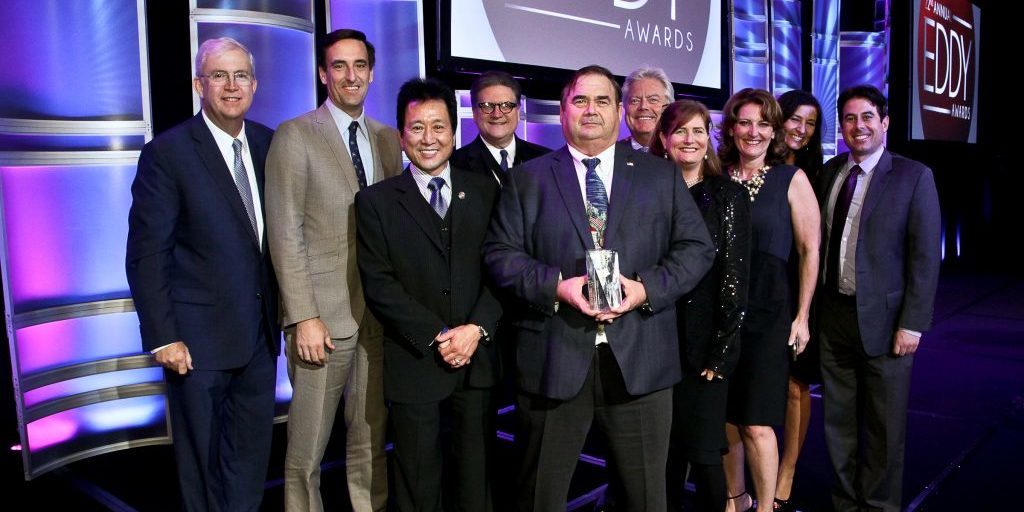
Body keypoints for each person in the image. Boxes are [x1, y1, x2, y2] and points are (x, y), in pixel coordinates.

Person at [484, 65, 715, 512]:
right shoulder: (527, 178)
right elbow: (500, 254)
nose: (591, 110)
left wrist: (644, 289)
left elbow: (696, 249)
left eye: (602, 100)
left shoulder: (660, 176)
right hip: (553, 359)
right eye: (580, 100)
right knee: (538, 498)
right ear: (563, 111)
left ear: (619, 112)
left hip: (641, 363)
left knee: (646, 500)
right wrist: (557, 287)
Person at [125, 37, 279, 511]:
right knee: (202, 469)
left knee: (249, 464)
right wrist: (164, 336)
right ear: (199, 85)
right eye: (219, 75)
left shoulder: (269, 143)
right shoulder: (168, 153)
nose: (231, 86)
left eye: (240, 76)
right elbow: (147, 253)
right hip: (196, 346)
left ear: (254, 85)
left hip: (259, 340)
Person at [265, 28, 402, 512]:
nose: (350, 75)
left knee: (370, 441)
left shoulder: (388, 139)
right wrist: (303, 316)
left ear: (371, 73)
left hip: (377, 318)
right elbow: (284, 233)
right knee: (307, 451)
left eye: (359, 65)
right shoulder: (295, 134)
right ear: (323, 74)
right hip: (321, 321)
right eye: (339, 66)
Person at [356, 78, 502, 512]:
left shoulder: (486, 191)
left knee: (476, 480)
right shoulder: (376, 202)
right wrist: (438, 335)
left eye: (439, 127)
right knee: (418, 483)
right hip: (415, 361)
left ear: (454, 133)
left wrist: (475, 330)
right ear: (401, 136)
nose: (428, 138)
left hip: (476, 360)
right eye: (417, 128)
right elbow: (379, 284)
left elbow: (501, 271)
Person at [818, 85, 940, 512]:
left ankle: (880, 507)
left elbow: (925, 256)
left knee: (883, 429)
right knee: (838, 424)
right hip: (833, 318)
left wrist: (913, 324)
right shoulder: (831, 172)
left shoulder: (913, 176)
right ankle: (845, 504)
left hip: (887, 324)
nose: (859, 126)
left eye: (867, 116)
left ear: (884, 122)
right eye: (850, 118)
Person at [717, 89, 820, 512]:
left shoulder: (791, 179)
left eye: (763, 124)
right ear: (731, 128)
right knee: (726, 418)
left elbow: (810, 250)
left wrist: (803, 316)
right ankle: (734, 500)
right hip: (721, 314)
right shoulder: (716, 175)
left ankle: (765, 507)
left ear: (775, 131)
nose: (753, 132)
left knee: (757, 423)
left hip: (770, 314)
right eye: (744, 122)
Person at [650, 100, 752, 512]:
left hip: (706, 347)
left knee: (706, 451)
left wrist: (722, 350)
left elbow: (734, 277)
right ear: (663, 139)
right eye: (680, 131)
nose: (690, 140)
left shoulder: (728, 194)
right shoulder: (647, 191)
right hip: (655, 340)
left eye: (698, 131)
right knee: (665, 454)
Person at [774, 89, 824, 511]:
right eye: (795, 119)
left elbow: (812, 248)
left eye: (810, 124)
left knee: (795, 384)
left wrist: (804, 312)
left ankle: (787, 471)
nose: (802, 129)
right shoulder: (751, 164)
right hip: (758, 289)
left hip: (799, 292)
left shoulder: (816, 175)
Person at [450, 70, 550, 186]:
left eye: (506, 105)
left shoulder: (545, 160)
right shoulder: (453, 165)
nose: (497, 114)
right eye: (487, 106)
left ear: (518, 111)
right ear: (474, 113)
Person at [621, 66, 674, 152]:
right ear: (624, 107)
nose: (643, 106)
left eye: (653, 100)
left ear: (668, 108)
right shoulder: (609, 154)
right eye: (635, 101)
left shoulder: (681, 155)